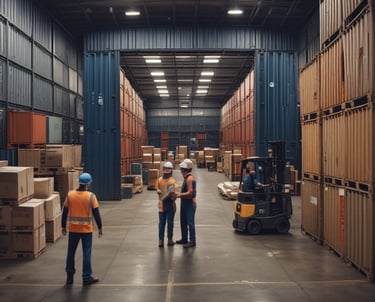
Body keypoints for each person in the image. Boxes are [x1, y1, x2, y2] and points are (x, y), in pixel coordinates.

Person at [61, 172, 103, 286]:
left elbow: (64, 212)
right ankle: (86, 277)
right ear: (88, 184)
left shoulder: (70, 195)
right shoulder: (91, 196)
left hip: (73, 229)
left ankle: (69, 277)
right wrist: (100, 227)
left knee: (71, 252)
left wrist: (63, 226)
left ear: (79, 182)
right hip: (86, 230)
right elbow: (96, 214)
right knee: (86, 253)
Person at [155, 161, 179, 247]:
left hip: (161, 206)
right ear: (171, 171)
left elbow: (157, 190)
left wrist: (159, 192)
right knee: (170, 223)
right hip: (169, 206)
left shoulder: (159, 180)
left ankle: (160, 241)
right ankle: (169, 240)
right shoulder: (172, 182)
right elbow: (173, 196)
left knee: (161, 224)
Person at [175, 158, 197, 248]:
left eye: (181, 170)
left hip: (190, 204)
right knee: (183, 221)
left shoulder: (190, 179)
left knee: (190, 222)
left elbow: (191, 193)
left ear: (184, 170)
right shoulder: (186, 178)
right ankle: (184, 238)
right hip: (185, 203)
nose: (180, 172)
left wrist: (179, 195)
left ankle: (192, 240)